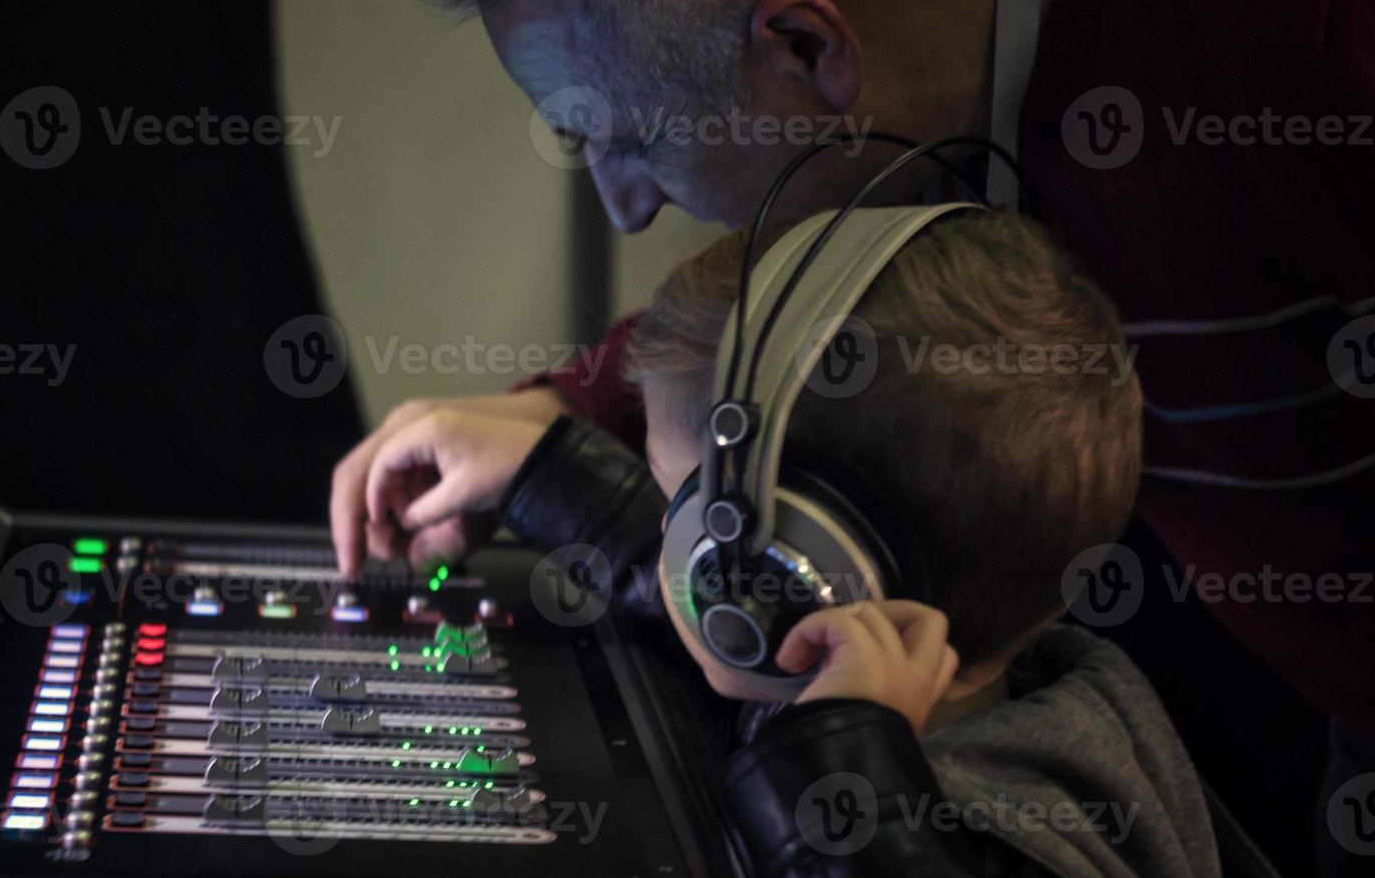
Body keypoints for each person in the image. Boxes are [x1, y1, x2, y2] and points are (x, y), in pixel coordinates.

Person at [336, 0, 1375, 871]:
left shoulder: (1320, 5)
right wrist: (563, 424)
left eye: (632, 139)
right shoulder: (923, 111)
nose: (626, 209)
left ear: (806, 48)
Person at [339, 210, 1279, 875]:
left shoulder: (1033, 807)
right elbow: (713, 626)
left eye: (681, 511)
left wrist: (848, 777)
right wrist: (552, 471)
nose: (680, 558)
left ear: (809, 576)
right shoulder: (952, 689)